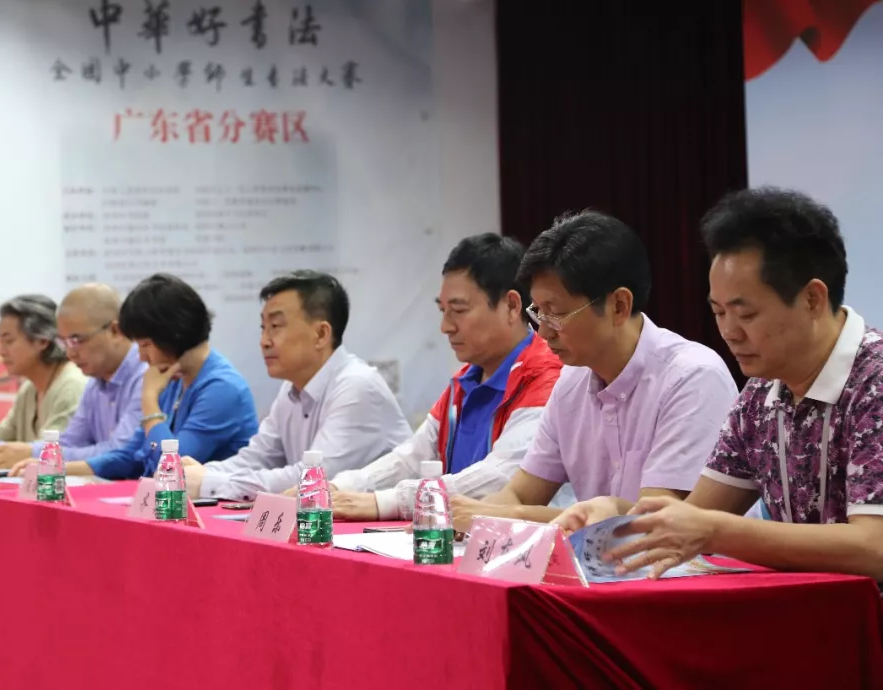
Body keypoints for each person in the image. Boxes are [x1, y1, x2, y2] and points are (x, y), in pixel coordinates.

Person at [561, 188, 883, 581]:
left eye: (746, 314)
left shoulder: (874, 380)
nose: (729, 331)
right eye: (718, 312)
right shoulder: (760, 394)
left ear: (813, 299)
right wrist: (612, 516)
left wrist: (716, 532)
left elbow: (875, 547)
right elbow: (695, 517)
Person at [451, 211, 738, 532]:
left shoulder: (692, 378)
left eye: (555, 313)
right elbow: (519, 494)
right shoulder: (570, 382)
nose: (543, 332)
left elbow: (653, 522)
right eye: (538, 312)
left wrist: (501, 515)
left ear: (619, 305)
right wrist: (474, 513)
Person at [328, 234, 564, 521]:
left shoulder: (549, 377)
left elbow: (500, 478)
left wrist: (386, 502)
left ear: (512, 306)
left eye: (459, 311)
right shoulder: (464, 381)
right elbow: (412, 458)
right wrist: (339, 487)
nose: (445, 327)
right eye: (443, 311)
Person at [182, 270, 413, 501]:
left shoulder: (357, 386)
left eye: (276, 326)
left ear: (321, 334)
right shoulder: (291, 388)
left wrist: (208, 483)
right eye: (263, 328)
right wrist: (199, 474)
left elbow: (312, 480)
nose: (264, 341)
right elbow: (257, 457)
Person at [13, 273, 258, 479]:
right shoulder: (173, 378)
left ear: (173, 334)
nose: (141, 357)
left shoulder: (221, 388)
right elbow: (130, 455)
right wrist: (59, 468)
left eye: (145, 345)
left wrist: (149, 399)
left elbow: (170, 467)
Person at [0, 284, 146, 469]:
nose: (70, 353)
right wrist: (5, 450)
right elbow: (71, 442)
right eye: (64, 342)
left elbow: (121, 452)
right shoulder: (94, 383)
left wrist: (33, 453)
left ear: (115, 331)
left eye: (77, 340)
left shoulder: (145, 376)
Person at [0, 295, 87, 455]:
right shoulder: (30, 388)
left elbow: (50, 452)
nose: (1, 351)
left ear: (42, 341)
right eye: (1, 341)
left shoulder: (72, 385)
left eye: (9, 341)